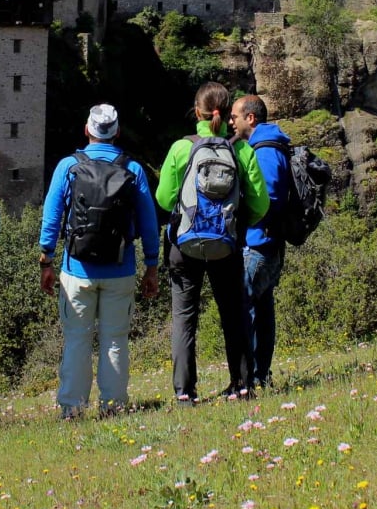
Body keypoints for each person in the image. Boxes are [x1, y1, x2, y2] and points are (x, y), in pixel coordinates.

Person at [38, 104, 161, 420]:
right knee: (115, 340)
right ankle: (114, 407)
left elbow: (51, 217)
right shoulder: (132, 169)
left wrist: (46, 260)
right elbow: (148, 222)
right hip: (121, 270)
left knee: (77, 340)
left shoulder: (68, 166)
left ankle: (72, 409)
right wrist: (151, 266)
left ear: (86, 130)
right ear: (117, 133)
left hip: (76, 270)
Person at [155, 82, 269, 403]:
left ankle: (184, 392)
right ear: (225, 112)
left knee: (184, 319)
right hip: (227, 244)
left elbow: (164, 199)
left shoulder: (181, 148)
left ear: (197, 111)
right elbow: (260, 205)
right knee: (233, 315)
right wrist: (237, 224)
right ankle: (242, 385)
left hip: (184, 245)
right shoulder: (241, 150)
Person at [230, 94, 292, 390]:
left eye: (235, 117)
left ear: (250, 118)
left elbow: (269, 199)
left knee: (245, 310)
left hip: (259, 243)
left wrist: (241, 216)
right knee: (262, 309)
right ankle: (259, 377)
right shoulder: (270, 144)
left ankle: (248, 380)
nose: (231, 121)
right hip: (269, 242)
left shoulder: (265, 151)